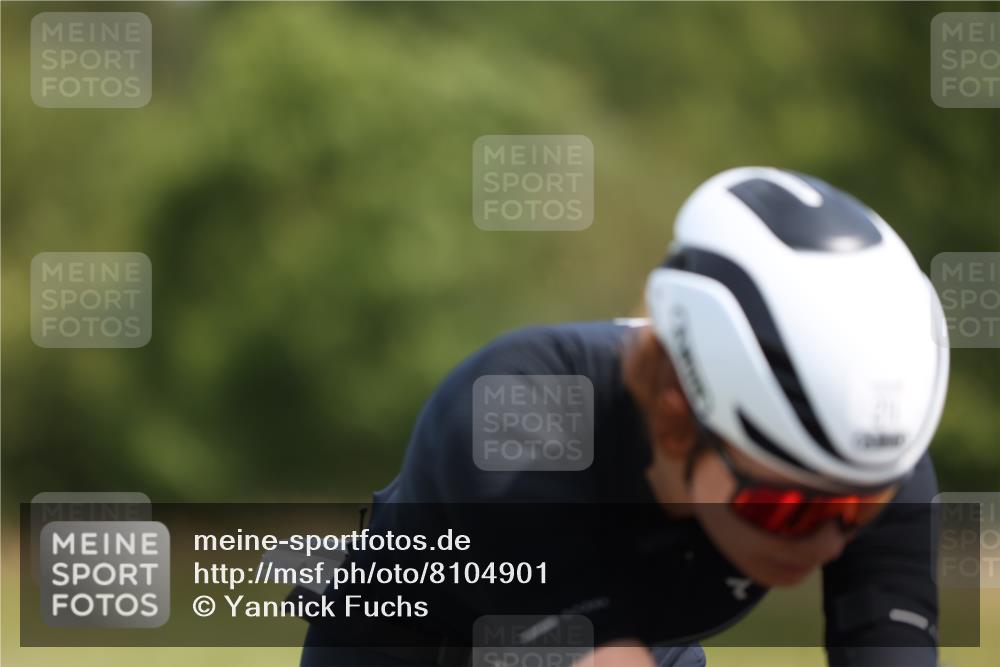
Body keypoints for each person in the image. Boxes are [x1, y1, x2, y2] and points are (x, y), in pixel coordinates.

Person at [301, 167, 949, 667]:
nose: (830, 543)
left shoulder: (864, 463)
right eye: (785, 508)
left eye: (861, 511)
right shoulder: (515, 412)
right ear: (678, 413)